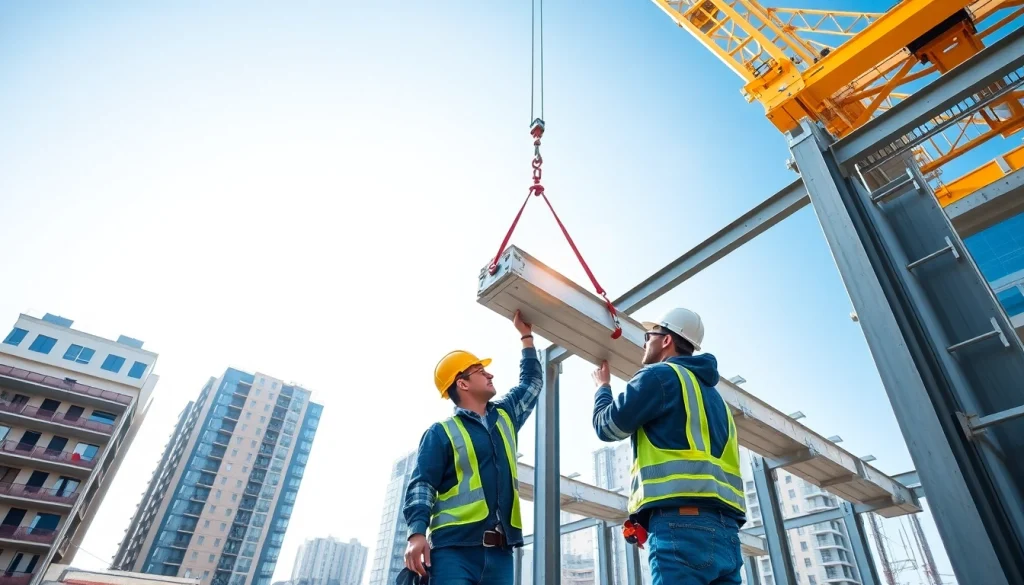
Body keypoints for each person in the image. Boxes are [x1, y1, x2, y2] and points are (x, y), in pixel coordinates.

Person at [590, 307, 746, 585]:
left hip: (680, 525)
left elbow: (607, 427)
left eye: (648, 336)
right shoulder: (717, 400)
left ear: (666, 340)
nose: (644, 343)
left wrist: (603, 388)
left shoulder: (659, 376)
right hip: (728, 532)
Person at [403, 310, 542, 585]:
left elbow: (532, 384)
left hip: (501, 553)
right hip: (452, 552)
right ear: (462, 383)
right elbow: (422, 484)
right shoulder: (440, 433)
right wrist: (417, 533)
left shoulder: (505, 415)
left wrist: (526, 337)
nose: (490, 374)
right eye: (480, 371)